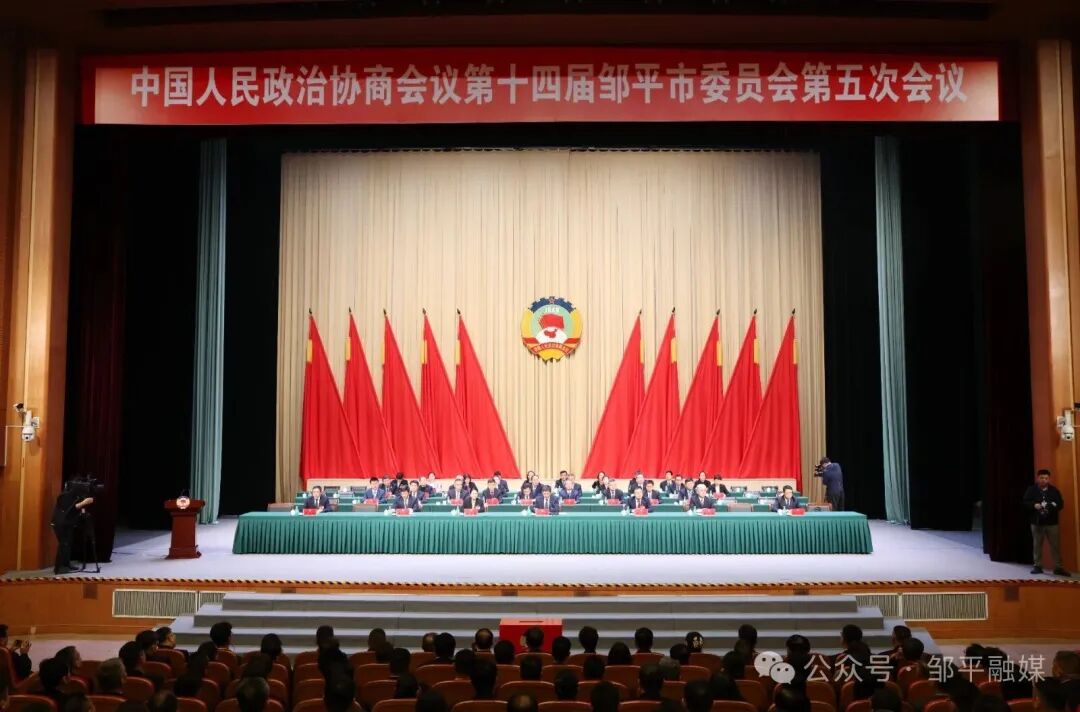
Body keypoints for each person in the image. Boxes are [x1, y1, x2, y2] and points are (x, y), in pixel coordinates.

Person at [1024, 469, 1069, 575]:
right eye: (1042, 478)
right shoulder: (1031, 490)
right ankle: (1037, 566)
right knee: (1037, 545)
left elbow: (1060, 504)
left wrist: (1051, 506)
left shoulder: (1054, 490)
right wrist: (1034, 505)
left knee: (1055, 546)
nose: (1044, 480)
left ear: (1049, 479)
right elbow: (1025, 502)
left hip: (1052, 523)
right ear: (1038, 478)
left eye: (1046, 478)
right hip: (1037, 522)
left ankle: (1058, 568)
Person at [50, 485, 95, 574]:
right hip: (60, 523)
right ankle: (60, 567)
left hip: (68, 523)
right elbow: (69, 509)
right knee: (64, 544)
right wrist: (83, 503)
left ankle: (66, 564)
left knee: (68, 544)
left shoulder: (76, 496)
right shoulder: (64, 496)